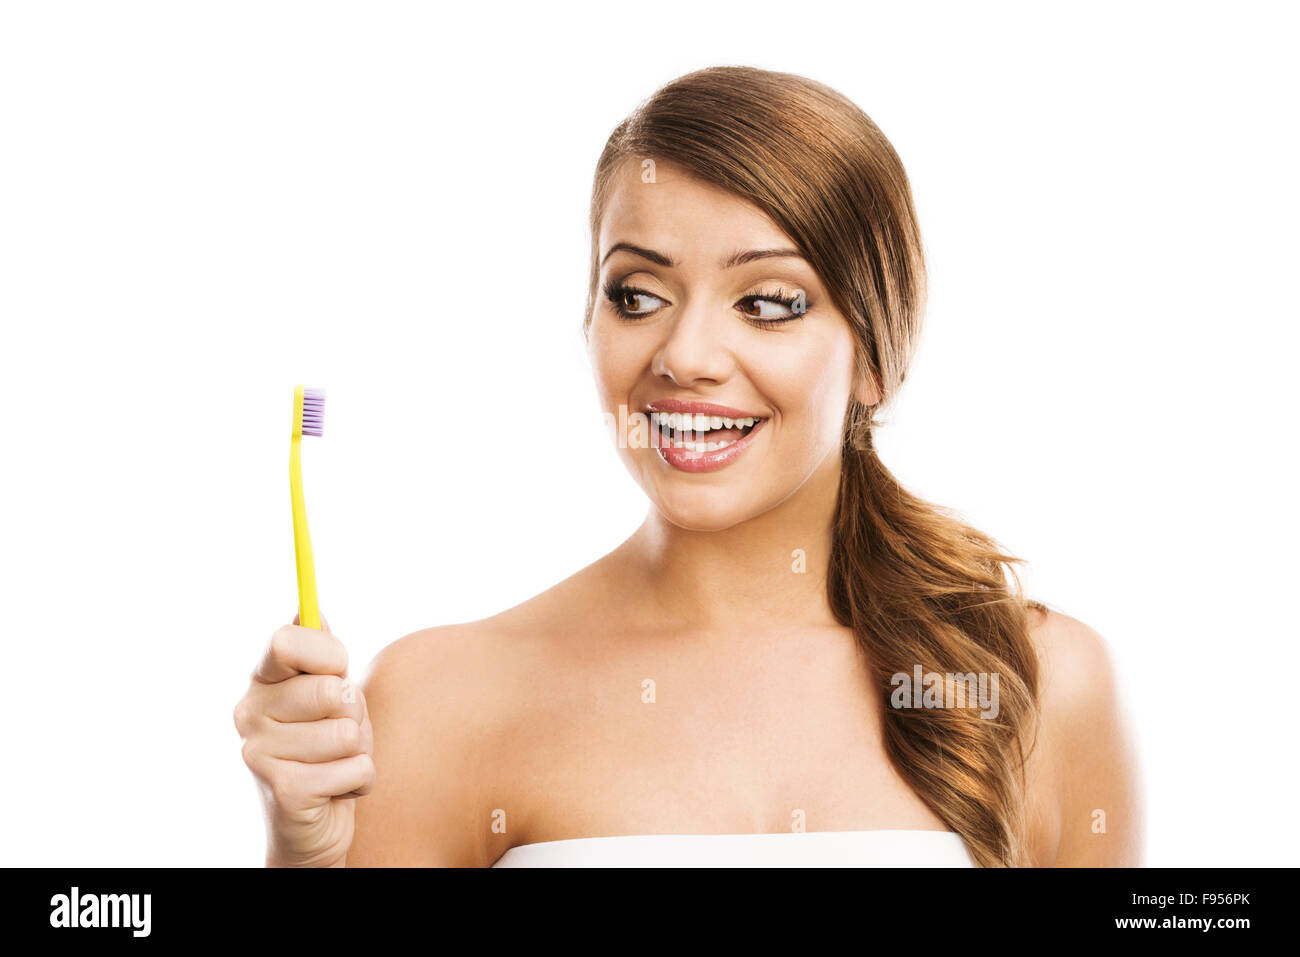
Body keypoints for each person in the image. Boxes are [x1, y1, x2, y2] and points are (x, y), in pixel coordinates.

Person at [234, 65, 1141, 867]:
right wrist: (305, 859)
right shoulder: (439, 699)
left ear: (876, 357)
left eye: (769, 302)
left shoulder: (1039, 681)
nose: (687, 354)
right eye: (638, 293)